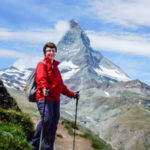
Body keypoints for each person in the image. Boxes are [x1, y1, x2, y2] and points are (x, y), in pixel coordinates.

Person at [32, 42, 79, 150]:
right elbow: (41, 79)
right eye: (49, 50)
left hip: (55, 100)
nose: (51, 52)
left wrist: (73, 95)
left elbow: (61, 86)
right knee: (47, 119)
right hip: (44, 98)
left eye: (53, 50)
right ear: (45, 53)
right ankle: (34, 145)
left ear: (55, 52)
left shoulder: (56, 68)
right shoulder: (42, 64)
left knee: (53, 124)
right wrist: (44, 88)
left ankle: (48, 147)